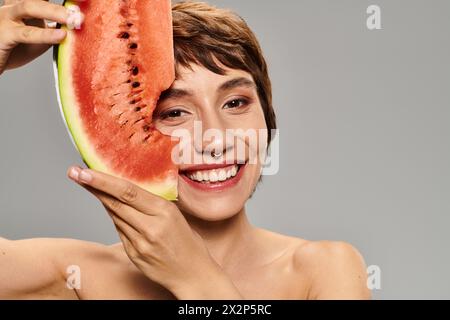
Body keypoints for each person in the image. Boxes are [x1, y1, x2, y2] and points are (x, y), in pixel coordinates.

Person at [0, 0, 371, 299]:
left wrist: (195, 279)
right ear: (126, 125)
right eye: (175, 112)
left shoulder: (325, 270)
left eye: (236, 103)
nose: (215, 138)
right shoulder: (78, 276)